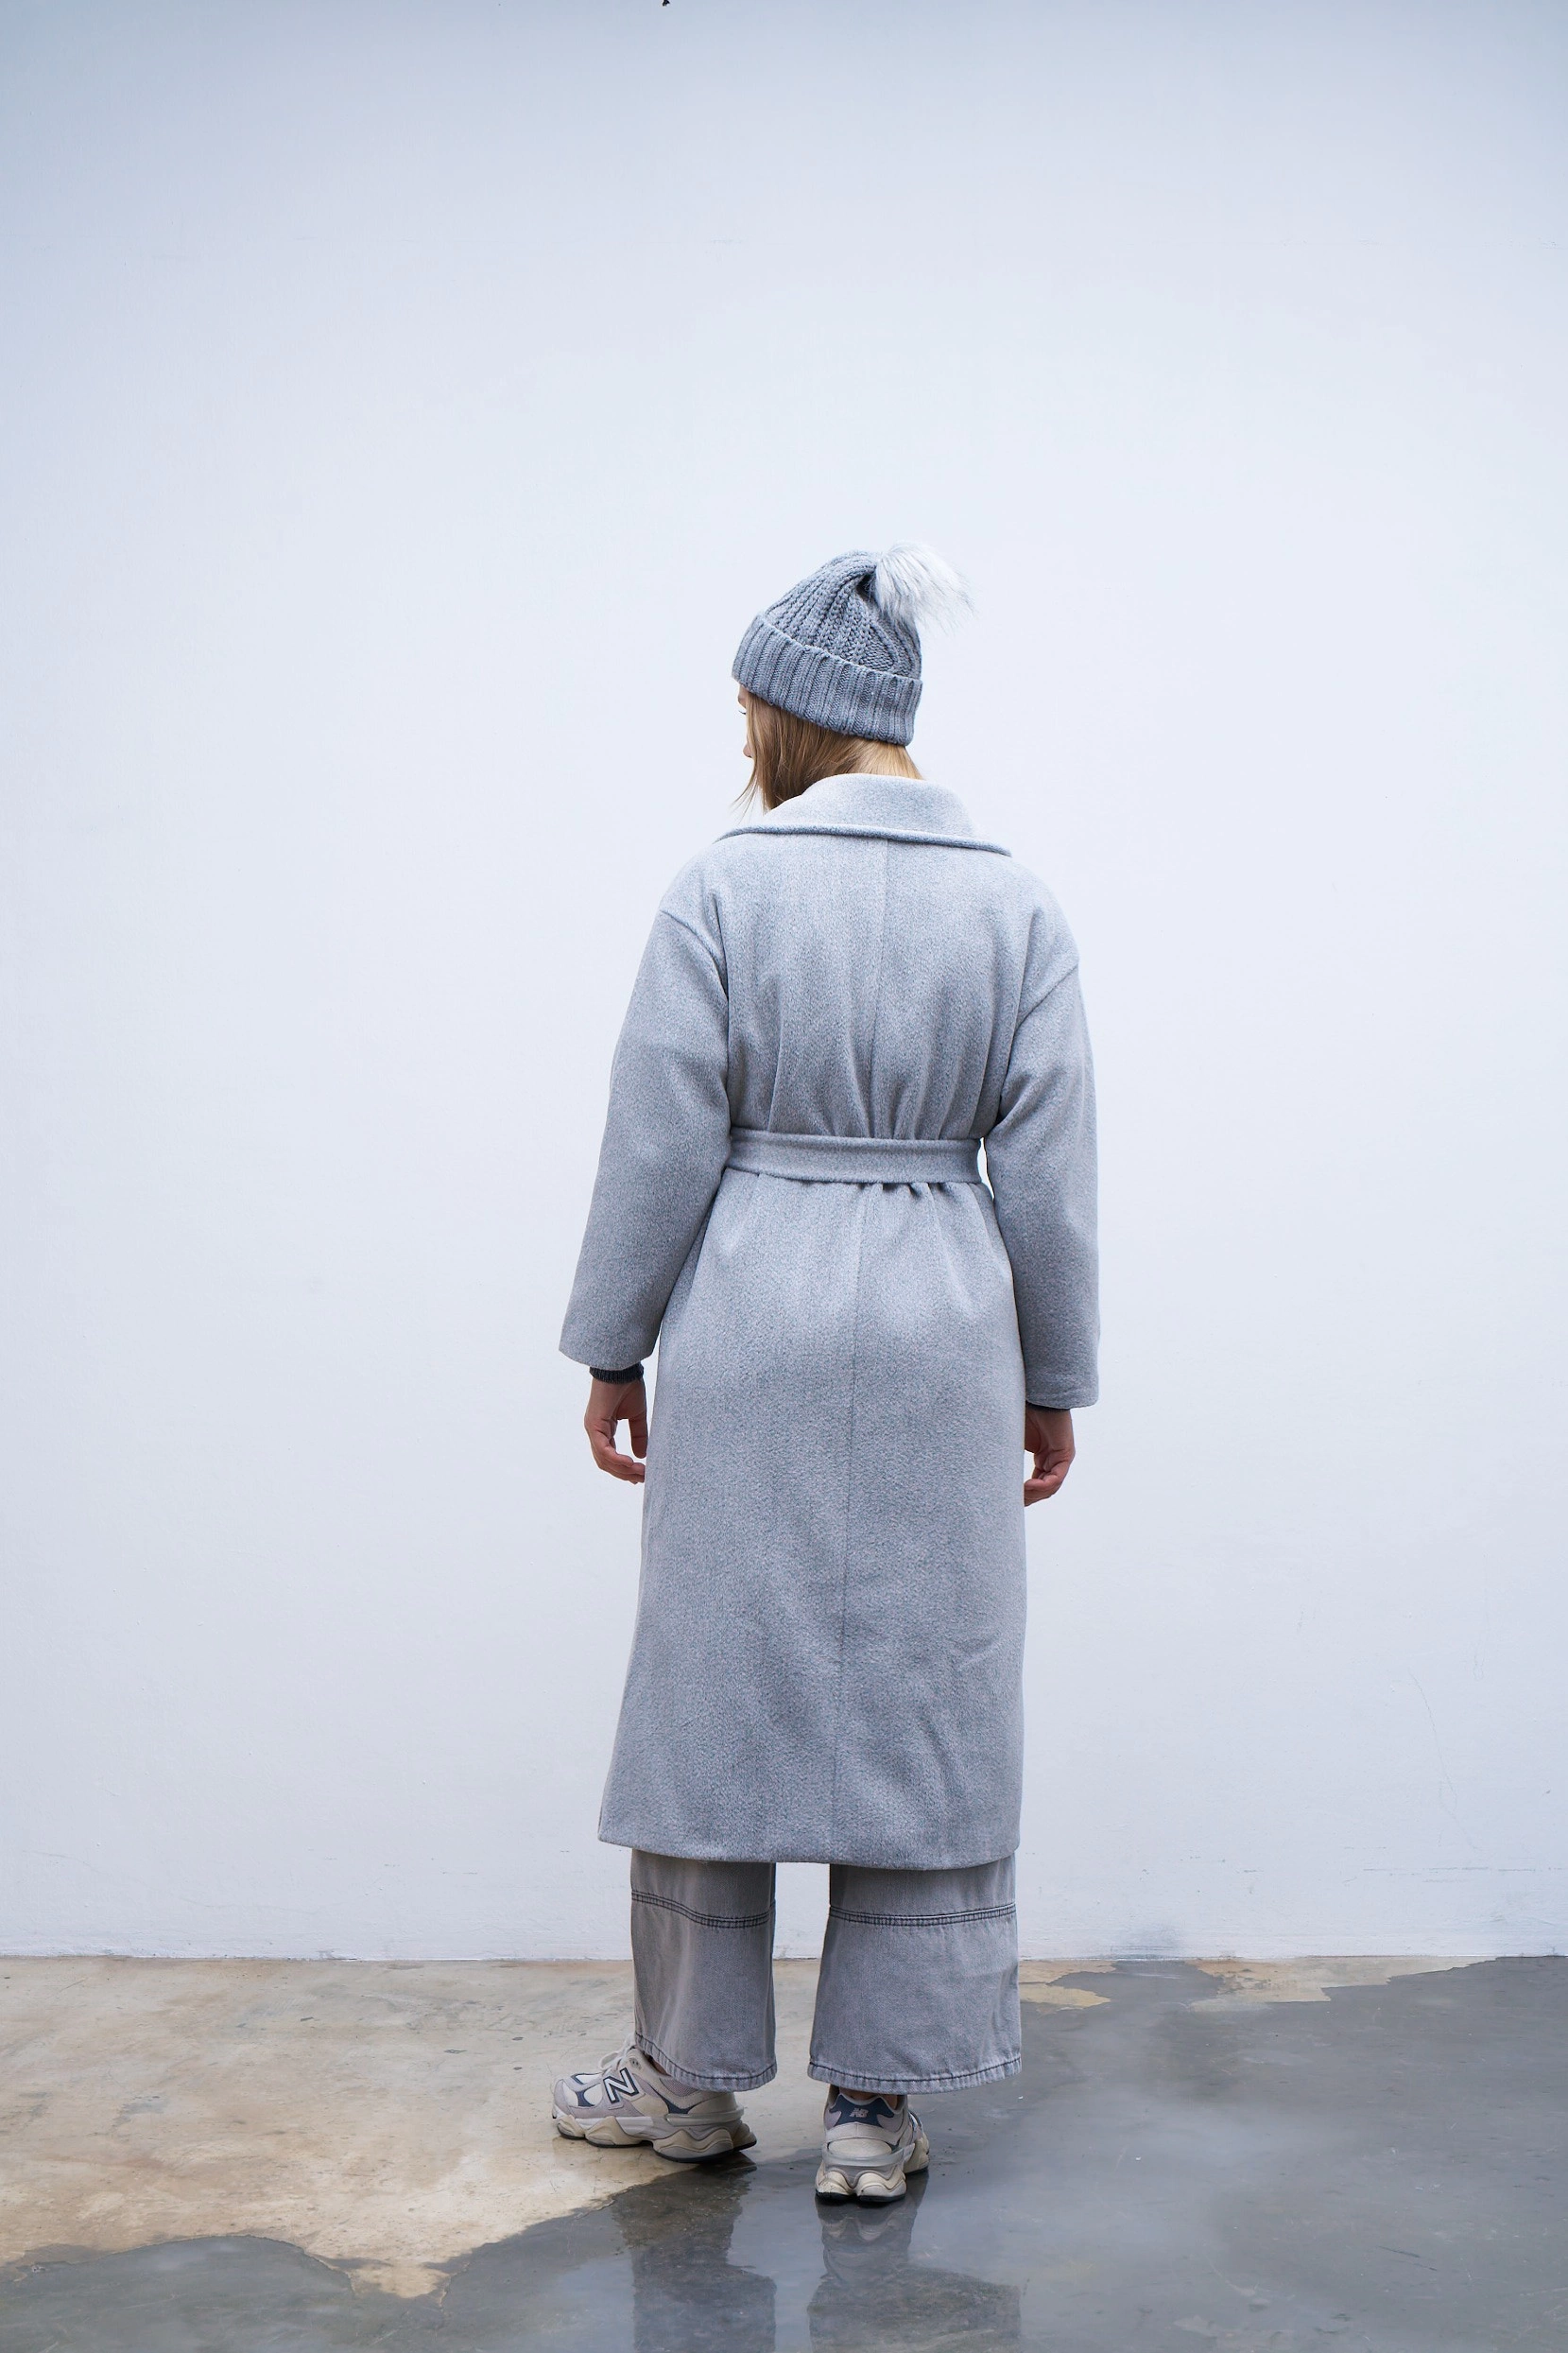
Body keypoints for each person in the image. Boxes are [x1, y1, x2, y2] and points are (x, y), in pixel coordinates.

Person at [553, 546, 1098, 2203]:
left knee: (715, 1688)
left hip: (752, 1311)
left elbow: (658, 1133)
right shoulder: (1012, 902)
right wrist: (1053, 1373)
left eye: (747, 709)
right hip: (945, 1322)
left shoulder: (722, 889)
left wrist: (612, 1339)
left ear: (793, 712)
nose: (740, 736)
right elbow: (1050, 1169)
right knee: (926, 1696)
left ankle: (685, 2080)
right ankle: (873, 2105)